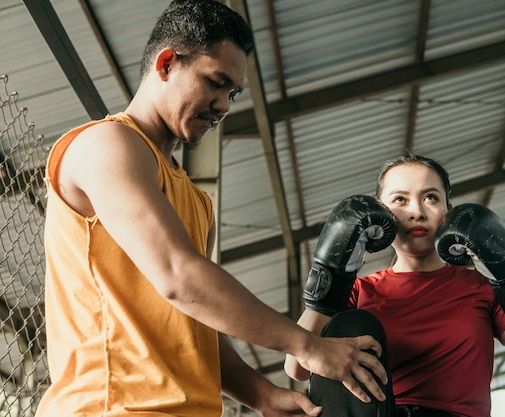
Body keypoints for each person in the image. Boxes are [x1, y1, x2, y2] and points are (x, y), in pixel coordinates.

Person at [35, 1, 394, 416]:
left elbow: (196, 321)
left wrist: (263, 395)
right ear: (166, 63)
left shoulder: (197, 202)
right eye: (215, 82)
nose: (224, 106)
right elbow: (178, 275)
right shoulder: (106, 145)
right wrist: (307, 346)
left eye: (233, 93)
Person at [285, 154, 505, 417]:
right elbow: (297, 367)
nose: (416, 212)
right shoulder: (358, 291)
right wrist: (330, 279)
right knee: (353, 324)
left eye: (430, 198)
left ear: (448, 211)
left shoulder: (481, 287)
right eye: (400, 200)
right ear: (380, 212)